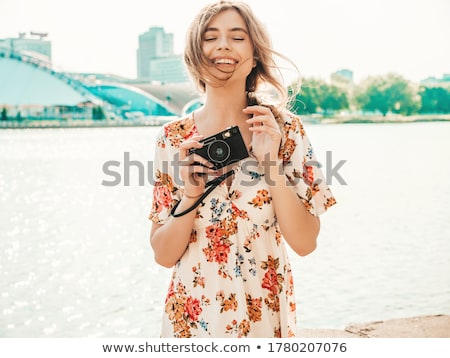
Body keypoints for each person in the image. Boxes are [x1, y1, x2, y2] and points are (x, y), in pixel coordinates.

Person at [149, 0, 336, 338]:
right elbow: (163, 254)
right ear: (194, 53)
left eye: (237, 37)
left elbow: (306, 243)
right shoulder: (172, 139)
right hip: (194, 320)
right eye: (210, 37)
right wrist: (191, 192)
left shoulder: (285, 129)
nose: (223, 45)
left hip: (264, 314)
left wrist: (271, 164)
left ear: (254, 55)